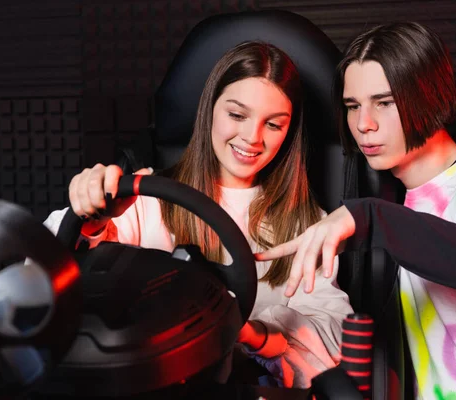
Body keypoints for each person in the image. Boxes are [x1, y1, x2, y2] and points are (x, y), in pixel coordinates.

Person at [44, 41, 352, 389]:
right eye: (237, 115)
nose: (252, 138)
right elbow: (41, 274)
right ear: (210, 110)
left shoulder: (306, 223)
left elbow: (331, 332)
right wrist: (93, 217)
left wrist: (251, 333)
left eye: (273, 124)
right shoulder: (144, 198)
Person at [257, 22, 456, 398]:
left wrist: (373, 219)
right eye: (352, 106)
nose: (363, 124)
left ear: (429, 95)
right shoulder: (393, 195)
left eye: (384, 103)